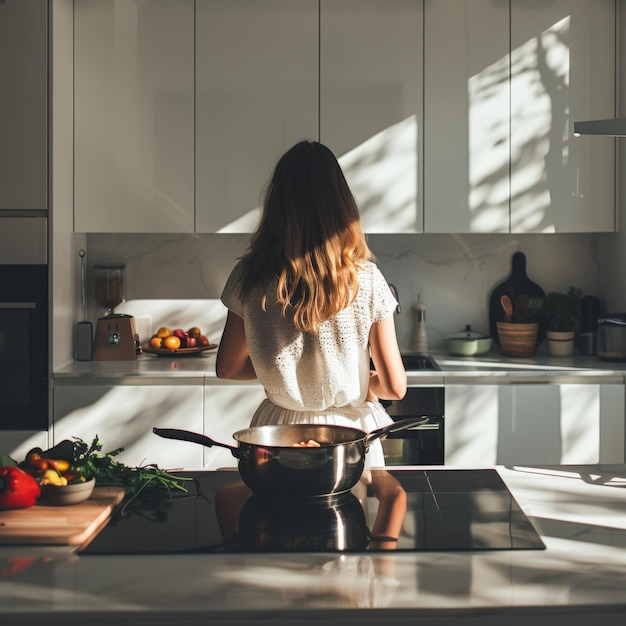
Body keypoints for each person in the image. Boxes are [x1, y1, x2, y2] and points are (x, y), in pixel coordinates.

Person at [216, 140, 407, 467]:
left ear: (277, 204)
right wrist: (357, 382)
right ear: (342, 205)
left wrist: (282, 378)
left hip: (276, 433)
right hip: (348, 436)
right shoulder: (367, 279)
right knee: (354, 513)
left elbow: (228, 367)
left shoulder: (249, 277)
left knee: (275, 517)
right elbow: (394, 387)